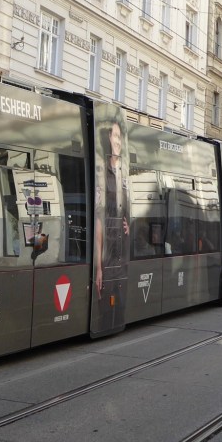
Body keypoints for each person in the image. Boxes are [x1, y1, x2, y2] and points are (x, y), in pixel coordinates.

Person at [93, 117, 129, 333]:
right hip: (107, 259)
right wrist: (99, 267)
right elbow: (98, 222)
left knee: (120, 310)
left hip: (122, 258)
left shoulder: (124, 175)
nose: (117, 141)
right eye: (115, 136)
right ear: (108, 138)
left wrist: (128, 226)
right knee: (105, 314)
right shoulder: (102, 175)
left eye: (120, 137)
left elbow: (128, 214)